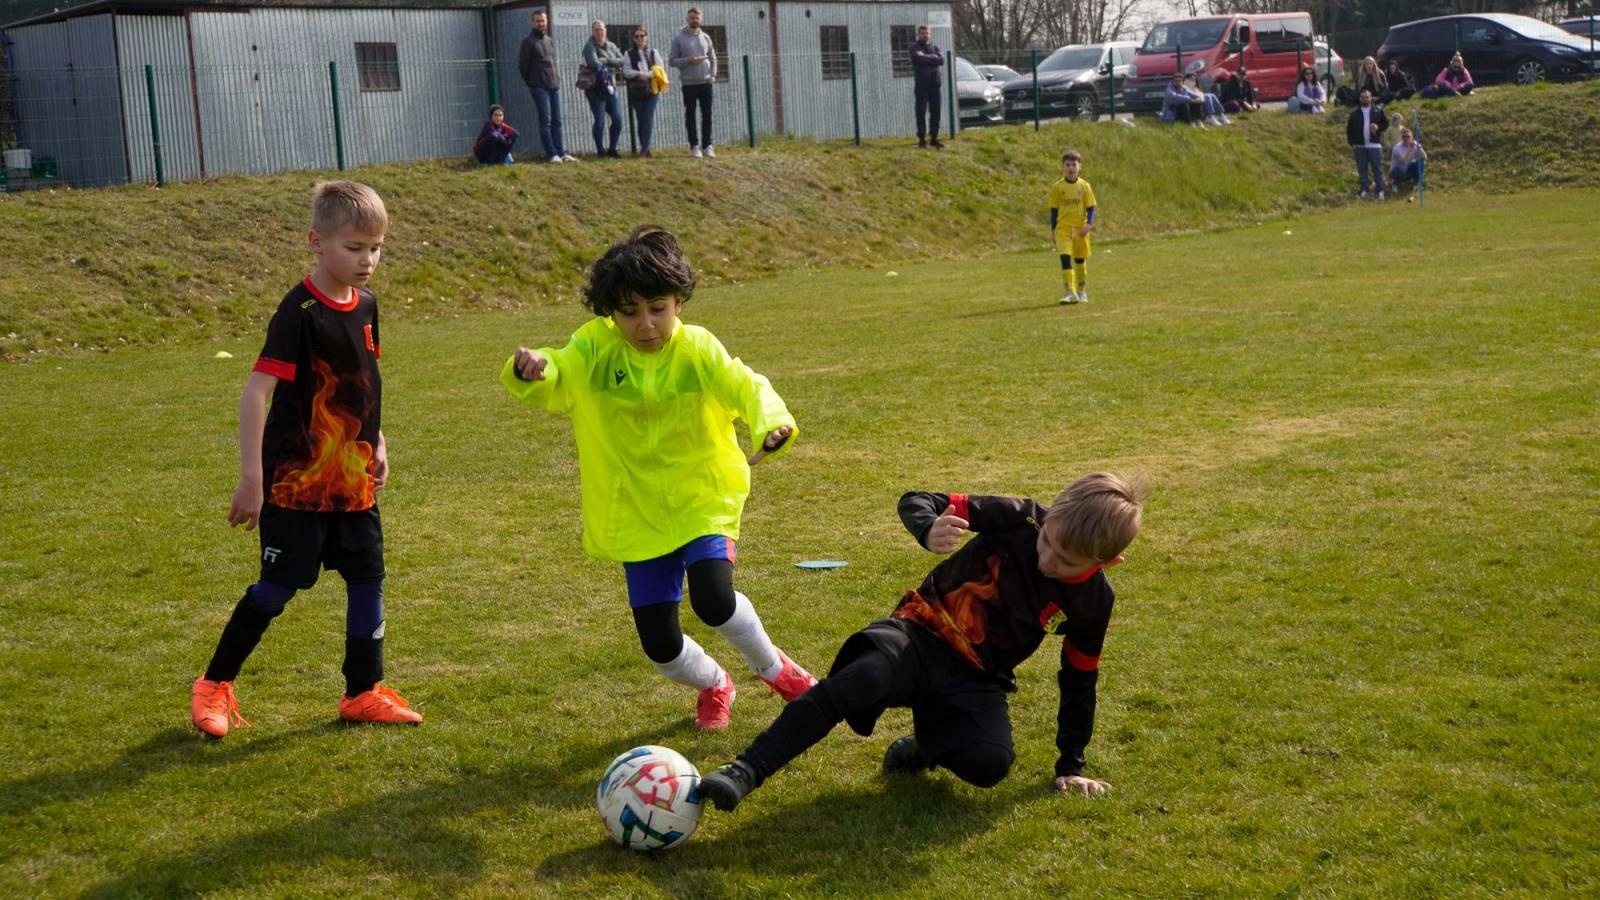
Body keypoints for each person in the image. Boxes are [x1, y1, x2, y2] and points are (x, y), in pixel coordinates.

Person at [499, 226, 817, 732]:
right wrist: (537, 370)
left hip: (702, 496)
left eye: (657, 308)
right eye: (630, 312)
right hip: (636, 508)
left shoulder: (698, 348)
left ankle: (778, 672)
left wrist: (771, 423)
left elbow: (745, 384)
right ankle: (715, 683)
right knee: (660, 646)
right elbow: (561, 368)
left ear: (679, 303)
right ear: (610, 313)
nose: (645, 324)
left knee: (713, 599)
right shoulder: (595, 347)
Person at [697, 474, 1147, 812]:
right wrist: (928, 527)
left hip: (977, 677)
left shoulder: (1093, 602)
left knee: (989, 764)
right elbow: (918, 498)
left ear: (1109, 562)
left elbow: (1079, 681)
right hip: (918, 632)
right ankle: (745, 771)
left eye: (1065, 561)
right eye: (1046, 540)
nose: (1046, 558)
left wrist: (1071, 764)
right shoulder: (1020, 516)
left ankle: (924, 746)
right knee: (862, 678)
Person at [189, 181, 421, 739]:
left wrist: (378, 440)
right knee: (277, 589)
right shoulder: (299, 312)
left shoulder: (367, 305)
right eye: (354, 248)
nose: (367, 260)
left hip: (353, 479)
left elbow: (359, 384)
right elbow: (255, 394)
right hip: (296, 482)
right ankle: (213, 685)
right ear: (317, 242)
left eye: (376, 248)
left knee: (368, 580)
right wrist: (253, 479)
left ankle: (362, 692)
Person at [519, 11, 577, 164]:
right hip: (539, 86)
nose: (541, 23)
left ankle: (561, 152)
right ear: (532, 23)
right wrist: (532, 82)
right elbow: (523, 66)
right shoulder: (528, 42)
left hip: (554, 85)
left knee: (557, 120)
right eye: (537, 21)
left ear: (547, 22)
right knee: (546, 121)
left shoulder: (549, 40)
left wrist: (556, 79)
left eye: (543, 21)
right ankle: (552, 154)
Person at [1049, 149, 1097, 305]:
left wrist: (1088, 225)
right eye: (1067, 165)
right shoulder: (1057, 187)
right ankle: (1070, 293)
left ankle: (1081, 291)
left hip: (1080, 230)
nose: (1070, 168)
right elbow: (1054, 210)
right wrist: (1053, 230)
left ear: (1079, 166)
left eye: (1073, 165)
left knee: (1080, 261)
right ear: (1063, 167)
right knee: (1064, 258)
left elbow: (1091, 208)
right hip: (1063, 229)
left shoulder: (1084, 186)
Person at [669, 7, 717, 158]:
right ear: (687, 19)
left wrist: (713, 76)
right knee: (690, 115)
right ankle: (694, 146)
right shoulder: (679, 38)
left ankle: (708, 146)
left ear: (700, 19)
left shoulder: (706, 37)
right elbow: (672, 61)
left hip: (705, 82)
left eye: (697, 18)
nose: (694, 20)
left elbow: (713, 58)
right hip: (688, 83)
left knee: (707, 114)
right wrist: (688, 60)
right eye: (692, 18)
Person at [582, 20, 625, 158]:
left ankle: (612, 149)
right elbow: (594, 64)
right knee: (599, 120)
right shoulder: (589, 46)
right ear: (592, 32)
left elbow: (623, 60)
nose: (599, 32)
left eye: (601, 29)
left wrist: (607, 60)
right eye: (596, 29)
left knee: (618, 119)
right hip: (596, 89)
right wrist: (612, 62)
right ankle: (600, 150)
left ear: (605, 30)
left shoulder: (611, 45)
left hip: (611, 88)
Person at [622, 27, 666, 157]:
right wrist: (638, 73)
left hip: (652, 89)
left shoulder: (653, 52)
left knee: (647, 117)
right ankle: (645, 148)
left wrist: (647, 75)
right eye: (637, 36)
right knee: (640, 118)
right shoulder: (628, 53)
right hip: (636, 90)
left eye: (642, 36)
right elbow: (626, 71)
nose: (640, 38)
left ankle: (644, 149)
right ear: (633, 39)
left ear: (646, 37)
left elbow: (660, 69)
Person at [1346, 88, 1388, 200]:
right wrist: (1352, 143)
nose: (1365, 99)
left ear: (1371, 98)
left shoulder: (1378, 110)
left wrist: (1378, 127)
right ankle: (1364, 190)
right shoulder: (1354, 114)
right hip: (1360, 146)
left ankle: (1380, 190)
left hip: (1374, 145)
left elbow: (1385, 124)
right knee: (1362, 170)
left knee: (1377, 169)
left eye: (1367, 97)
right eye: (1363, 97)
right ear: (1360, 99)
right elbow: (1349, 130)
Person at [909, 24, 944, 149]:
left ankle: (934, 138)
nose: (925, 35)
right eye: (923, 33)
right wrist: (933, 58)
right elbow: (918, 59)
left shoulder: (935, 47)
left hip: (934, 83)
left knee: (935, 111)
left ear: (930, 34)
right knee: (921, 111)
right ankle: (922, 139)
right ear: (918, 34)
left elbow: (941, 60)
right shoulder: (914, 47)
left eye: (927, 33)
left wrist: (926, 57)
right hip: (921, 84)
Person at [1388, 126, 1427, 193]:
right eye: (1404, 137)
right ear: (1401, 138)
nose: (1406, 138)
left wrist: (1419, 147)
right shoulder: (1397, 148)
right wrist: (1410, 149)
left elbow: (1424, 157)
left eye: (1408, 137)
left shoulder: (1414, 146)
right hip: (1396, 171)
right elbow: (1404, 162)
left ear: (1412, 138)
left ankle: (1415, 184)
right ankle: (1394, 184)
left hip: (1407, 170)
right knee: (1401, 168)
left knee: (1421, 163)